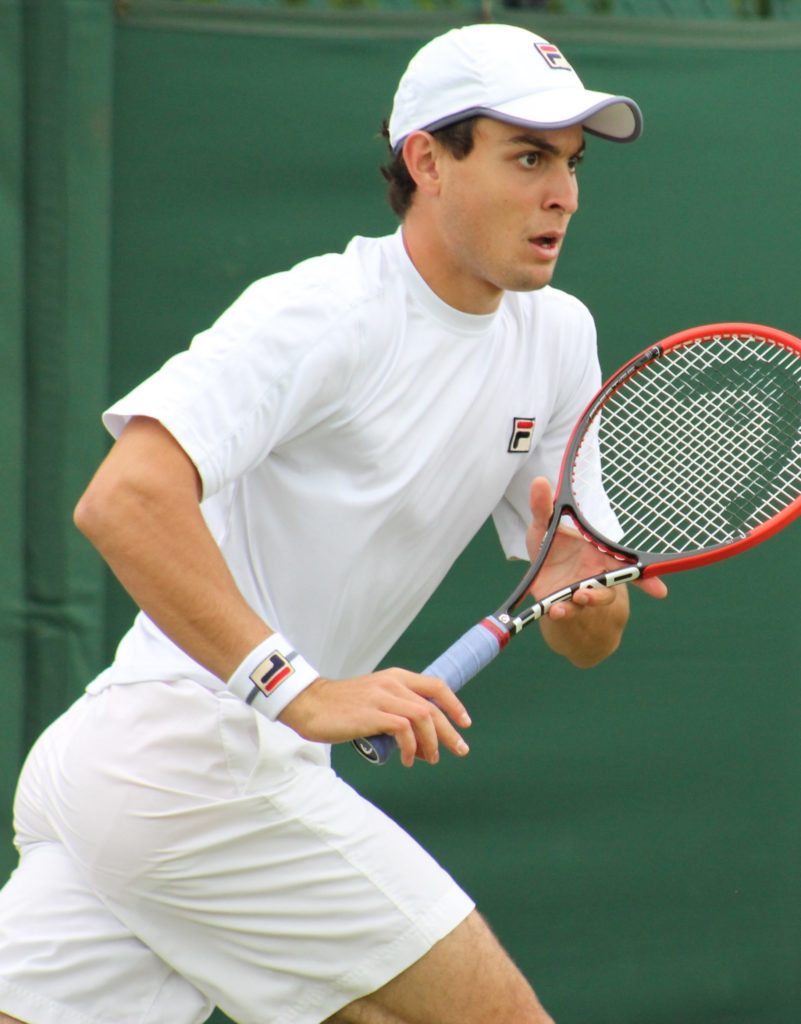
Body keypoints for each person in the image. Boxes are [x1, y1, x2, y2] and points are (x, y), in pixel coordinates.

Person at [0, 22, 667, 1024]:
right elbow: (123, 498)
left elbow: (588, 632)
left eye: (571, 163)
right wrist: (300, 692)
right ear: (427, 161)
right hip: (191, 767)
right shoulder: (322, 311)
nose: (563, 193)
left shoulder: (559, 337)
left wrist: (584, 593)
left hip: (129, 785)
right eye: (528, 157)